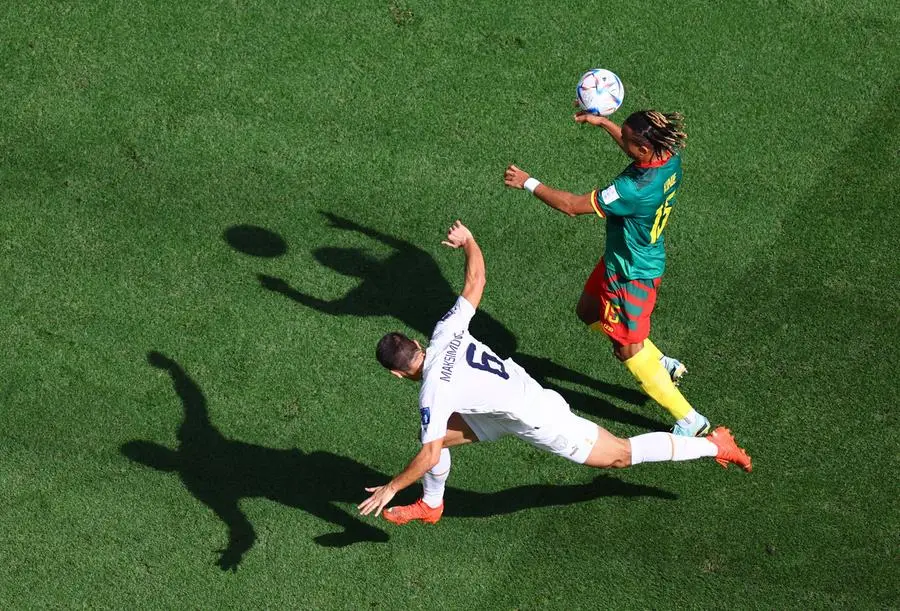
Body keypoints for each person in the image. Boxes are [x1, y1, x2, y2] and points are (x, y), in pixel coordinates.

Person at [358, 221, 751, 525]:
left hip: (541, 419)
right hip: (505, 411)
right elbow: (476, 280)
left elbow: (425, 457)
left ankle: (716, 444)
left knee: (621, 455)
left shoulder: (432, 395)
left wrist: (391, 488)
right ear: (417, 344)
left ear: (396, 374)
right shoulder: (445, 331)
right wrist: (469, 240)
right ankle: (431, 504)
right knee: (435, 437)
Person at [504, 109, 710, 437]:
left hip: (631, 276)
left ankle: (690, 420)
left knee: (625, 348)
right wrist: (603, 124)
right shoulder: (669, 156)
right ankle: (661, 364)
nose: (623, 143)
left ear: (643, 149)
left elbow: (571, 205)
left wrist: (527, 182)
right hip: (621, 258)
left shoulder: (633, 190)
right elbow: (636, 145)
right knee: (588, 310)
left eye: (627, 140)